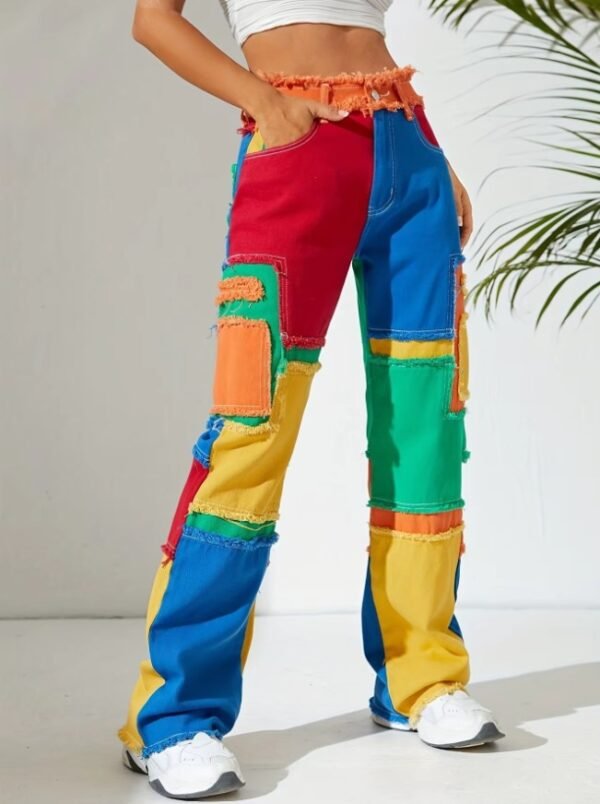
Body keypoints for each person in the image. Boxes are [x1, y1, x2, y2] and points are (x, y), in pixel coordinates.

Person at [117, 0, 505, 799]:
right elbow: (152, 19)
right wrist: (264, 102)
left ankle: (420, 678)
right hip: (298, 146)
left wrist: (431, 155)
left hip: (408, 151)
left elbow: (368, 38)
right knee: (250, 427)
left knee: (428, 430)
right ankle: (175, 717)